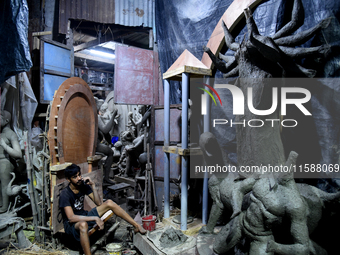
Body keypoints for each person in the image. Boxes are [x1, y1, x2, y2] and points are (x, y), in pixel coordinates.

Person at [59, 164, 146, 255]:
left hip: (84, 216)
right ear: (68, 179)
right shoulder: (65, 194)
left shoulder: (82, 185)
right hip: (72, 225)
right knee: (83, 224)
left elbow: (98, 203)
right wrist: (95, 218)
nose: (79, 178)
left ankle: (136, 225)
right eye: (75, 177)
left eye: (79, 175)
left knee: (109, 203)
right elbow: (71, 218)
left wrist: (92, 185)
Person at [0, 110, 22, 213]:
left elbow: (18, 154)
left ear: (6, 120)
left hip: (5, 162)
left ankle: (4, 207)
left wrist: (4, 146)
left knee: (5, 184)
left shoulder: (10, 134)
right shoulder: (2, 133)